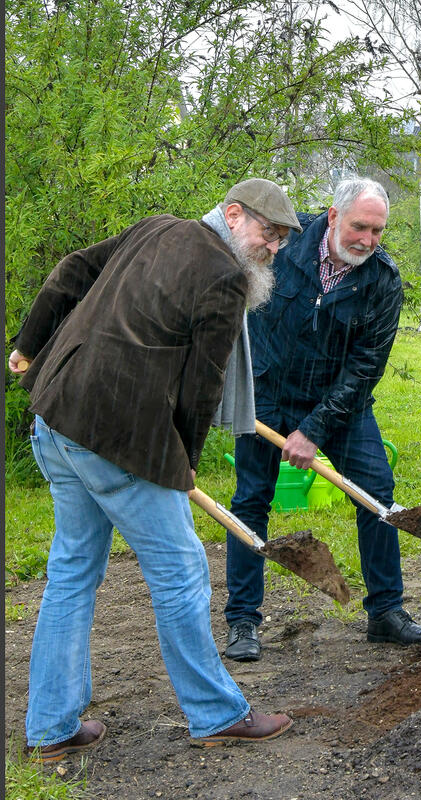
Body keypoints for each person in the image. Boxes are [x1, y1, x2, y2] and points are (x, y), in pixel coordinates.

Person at [9, 178, 301, 761]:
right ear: (234, 214)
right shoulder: (224, 276)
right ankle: (217, 713)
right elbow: (203, 388)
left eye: (282, 241)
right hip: (116, 436)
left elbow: (70, 270)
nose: (272, 249)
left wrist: (29, 344)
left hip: (57, 415)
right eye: (268, 235)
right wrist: (184, 466)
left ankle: (51, 727)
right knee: (182, 570)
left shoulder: (156, 226)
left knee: (72, 570)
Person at [223, 177, 421, 662]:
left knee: (377, 493)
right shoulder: (283, 248)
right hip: (267, 395)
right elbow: (235, 314)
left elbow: (365, 367)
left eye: (378, 230)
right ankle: (242, 622)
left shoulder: (381, 278)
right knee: (250, 501)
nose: (368, 240)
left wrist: (314, 429)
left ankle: (386, 612)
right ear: (334, 217)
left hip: (340, 404)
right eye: (360, 226)